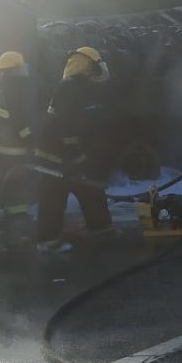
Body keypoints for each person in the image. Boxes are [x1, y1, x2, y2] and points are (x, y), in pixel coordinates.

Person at [34, 47, 114, 253]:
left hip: (67, 150)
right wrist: (74, 153)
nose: (96, 73)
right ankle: (48, 241)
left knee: (90, 188)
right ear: (85, 67)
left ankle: (101, 228)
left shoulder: (78, 86)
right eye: (93, 68)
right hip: (56, 153)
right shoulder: (70, 87)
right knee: (53, 196)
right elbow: (67, 124)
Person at [0, 51, 37, 242]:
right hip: (11, 149)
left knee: (0, 183)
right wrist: (30, 140)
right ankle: (16, 219)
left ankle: (1, 218)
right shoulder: (17, 89)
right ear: (15, 69)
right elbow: (19, 120)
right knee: (16, 184)